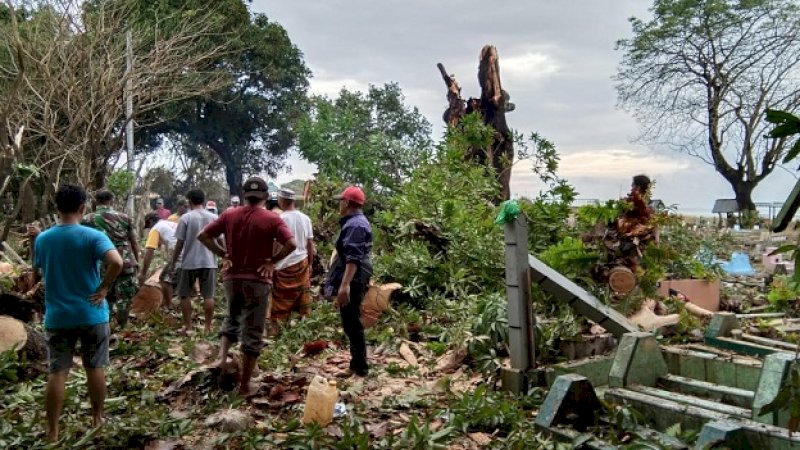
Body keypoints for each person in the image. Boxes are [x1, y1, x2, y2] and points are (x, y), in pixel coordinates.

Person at [33, 184, 123, 442]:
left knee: (57, 372)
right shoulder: (93, 236)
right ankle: (96, 418)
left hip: (58, 316)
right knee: (94, 367)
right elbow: (116, 262)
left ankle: (52, 431)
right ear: (83, 208)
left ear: (57, 208)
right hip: (92, 313)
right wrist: (104, 287)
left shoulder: (43, 239)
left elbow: (37, 269)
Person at [198, 177, 296, 396]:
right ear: (265, 197)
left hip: (233, 278)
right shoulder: (272, 219)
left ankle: (222, 358)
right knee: (253, 331)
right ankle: (244, 386)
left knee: (231, 317)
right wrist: (272, 261)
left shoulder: (229, 214)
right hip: (258, 280)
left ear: (244, 195)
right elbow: (292, 244)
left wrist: (223, 254)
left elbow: (203, 235)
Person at [324, 186, 372, 377]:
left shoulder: (355, 225)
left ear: (347, 203)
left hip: (353, 279)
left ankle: (359, 367)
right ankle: (356, 364)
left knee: (352, 323)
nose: (339, 204)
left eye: (341, 201)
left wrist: (344, 286)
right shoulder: (354, 222)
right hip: (354, 277)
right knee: (350, 321)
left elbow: (353, 258)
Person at [82, 190, 139, 329]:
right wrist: (136, 261)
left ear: (96, 201)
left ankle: (104, 325)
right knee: (125, 298)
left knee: (104, 294)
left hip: (102, 263)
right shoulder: (125, 218)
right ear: (111, 200)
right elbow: (134, 242)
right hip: (125, 261)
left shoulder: (87, 219)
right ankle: (122, 327)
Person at [171, 189, 219, 335]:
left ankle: (188, 326)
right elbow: (221, 239)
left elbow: (180, 242)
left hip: (189, 261)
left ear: (190, 201)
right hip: (209, 261)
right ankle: (208, 327)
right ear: (203, 200)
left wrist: (173, 261)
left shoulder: (186, 218)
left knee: (184, 294)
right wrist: (225, 254)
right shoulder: (214, 218)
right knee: (208, 296)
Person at [271, 188, 315, 322]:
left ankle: (277, 330)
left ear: (281, 200)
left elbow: (275, 245)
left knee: (281, 302)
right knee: (302, 299)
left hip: (284, 266)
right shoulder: (305, 219)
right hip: (302, 263)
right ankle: (302, 327)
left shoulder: (279, 219)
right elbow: (310, 245)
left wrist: (272, 262)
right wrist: (310, 264)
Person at [140, 212, 179, 308]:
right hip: (192, 250)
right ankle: (195, 296)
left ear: (150, 221)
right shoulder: (170, 224)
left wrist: (143, 273)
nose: (149, 228)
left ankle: (169, 306)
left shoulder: (155, 228)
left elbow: (150, 251)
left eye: (148, 226)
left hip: (179, 252)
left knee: (164, 278)